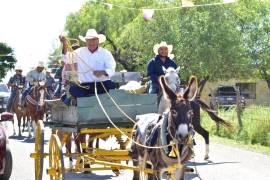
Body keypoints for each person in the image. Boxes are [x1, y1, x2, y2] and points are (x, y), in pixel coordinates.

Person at [60, 28, 116, 104]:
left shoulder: (105, 53)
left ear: (98, 41)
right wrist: (64, 44)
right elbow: (65, 59)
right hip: (85, 86)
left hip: (102, 84)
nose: (91, 42)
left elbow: (112, 68)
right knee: (73, 89)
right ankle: (87, 104)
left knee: (112, 85)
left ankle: (89, 103)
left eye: (94, 39)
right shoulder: (79, 52)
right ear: (86, 41)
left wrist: (103, 72)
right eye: (89, 40)